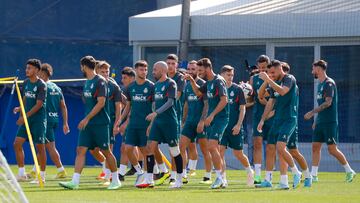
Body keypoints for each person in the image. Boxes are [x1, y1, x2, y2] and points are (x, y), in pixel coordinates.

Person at [59, 56, 120, 190]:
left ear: (84, 66)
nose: (81, 69)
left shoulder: (100, 81)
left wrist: (87, 118)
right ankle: (75, 182)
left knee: (106, 151)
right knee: (80, 150)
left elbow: (101, 102)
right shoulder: (87, 82)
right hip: (88, 124)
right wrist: (87, 119)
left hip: (101, 123)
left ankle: (115, 180)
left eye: (81, 66)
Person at [304, 60, 356, 183]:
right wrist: (317, 120)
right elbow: (321, 104)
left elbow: (328, 103)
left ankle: (349, 171)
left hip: (330, 122)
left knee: (332, 149)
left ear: (319, 69)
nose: (312, 71)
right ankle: (314, 175)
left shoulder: (329, 83)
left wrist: (312, 113)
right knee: (315, 147)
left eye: (313, 68)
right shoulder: (320, 85)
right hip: (321, 122)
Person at [257, 60, 302, 189]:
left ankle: (295, 173)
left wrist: (268, 80)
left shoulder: (289, 78)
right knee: (270, 148)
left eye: (272, 72)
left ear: (279, 69)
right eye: (268, 73)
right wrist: (262, 120)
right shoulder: (273, 82)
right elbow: (268, 102)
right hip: (277, 120)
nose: (270, 75)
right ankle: (268, 179)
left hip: (289, 119)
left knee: (281, 147)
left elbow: (283, 91)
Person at [184, 58, 229, 189]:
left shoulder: (218, 80)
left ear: (208, 68)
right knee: (214, 148)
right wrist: (192, 80)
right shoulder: (208, 82)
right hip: (213, 119)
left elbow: (224, 100)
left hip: (220, 118)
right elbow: (198, 92)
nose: (199, 73)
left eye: (200, 70)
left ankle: (219, 178)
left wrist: (211, 115)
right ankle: (222, 179)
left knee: (211, 147)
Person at [142, 61, 184, 189]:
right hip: (158, 122)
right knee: (150, 147)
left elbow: (171, 102)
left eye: (155, 69)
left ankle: (179, 179)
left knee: (174, 150)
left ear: (162, 70)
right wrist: (151, 123)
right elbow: (155, 104)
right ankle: (149, 180)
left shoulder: (171, 83)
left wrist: (156, 113)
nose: (153, 72)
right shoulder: (156, 86)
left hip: (170, 122)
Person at [31, 63, 69, 180]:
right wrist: (65, 123)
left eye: (38, 72)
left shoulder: (42, 86)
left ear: (43, 73)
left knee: (47, 147)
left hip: (45, 120)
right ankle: (34, 170)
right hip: (54, 119)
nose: (36, 75)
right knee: (44, 146)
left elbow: (37, 104)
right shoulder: (57, 88)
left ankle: (59, 170)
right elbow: (63, 106)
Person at [219, 65, 254, 187]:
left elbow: (242, 108)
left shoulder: (238, 89)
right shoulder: (218, 88)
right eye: (228, 75)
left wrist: (239, 125)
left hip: (235, 127)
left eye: (232, 75)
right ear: (222, 75)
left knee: (238, 154)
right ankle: (223, 179)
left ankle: (249, 171)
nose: (230, 77)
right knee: (220, 152)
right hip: (221, 127)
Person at [14, 59, 47, 183]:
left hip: (38, 120)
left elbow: (39, 105)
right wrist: (19, 108)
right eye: (27, 68)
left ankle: (42, 176)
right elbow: (25, 98)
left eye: (30, 68)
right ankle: (21, 174)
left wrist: (25, 117)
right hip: (26, 119)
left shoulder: (41, 85)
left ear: (37, 70)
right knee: (17, 144)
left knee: (40, 148)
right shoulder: (26, 82)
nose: (27, 70)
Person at [179, 60, 212, 185]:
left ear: (198, 71)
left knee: (205, 149)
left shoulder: (203, 84)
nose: (190, 71)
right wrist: (183, 120)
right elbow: (186, 104)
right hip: (189, 122)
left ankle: (208, 176)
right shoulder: (187, 85)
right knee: (182, 146)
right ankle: (183, 174)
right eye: (189, 69)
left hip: (200, 122)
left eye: (193, 69)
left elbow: (207, 104)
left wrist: (202, 121)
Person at [123, 60, 154, 187]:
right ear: (136, 70)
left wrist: (152, 123)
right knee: (128, 148)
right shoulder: (130, 87)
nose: (144, 72)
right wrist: (121, 120)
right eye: (141, 69)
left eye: (146, 69)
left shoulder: (151, 86)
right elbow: (128, 105)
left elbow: (154, 106)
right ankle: (139, 171)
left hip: (145, 125)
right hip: (133, 124)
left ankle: (147, 177)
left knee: (145, 151)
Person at [250, 55, 271, 184]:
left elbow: (271, 100)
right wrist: (245, 91)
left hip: (272, 116)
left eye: (265, 67)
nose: (262, 70)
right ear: (257, 67)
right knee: (257, 144)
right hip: (258, 115)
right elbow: (251, 99)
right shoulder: (253, 78)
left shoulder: (272, 79)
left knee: (270, 146)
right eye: (260, 67)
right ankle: (257, 175)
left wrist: (263, 100)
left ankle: (269, 174)